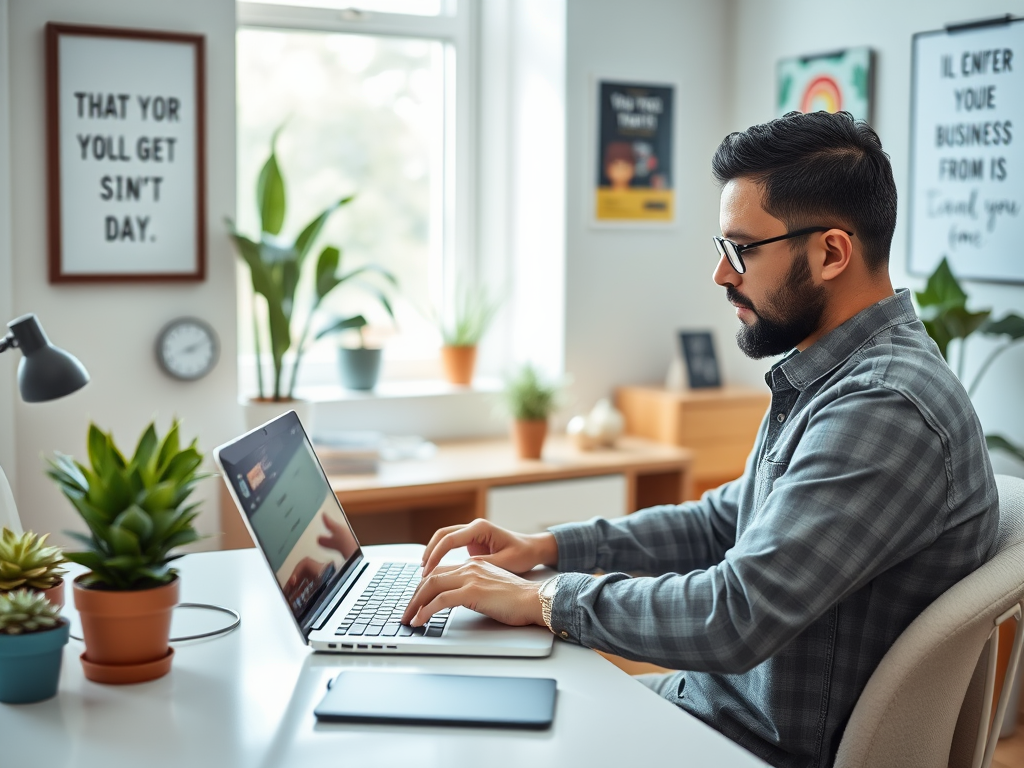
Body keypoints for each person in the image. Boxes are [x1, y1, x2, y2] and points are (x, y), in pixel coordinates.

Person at [401, 111, 999, 768]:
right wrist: (549, 548)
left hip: (746, 746)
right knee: (481, 702)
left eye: (742, 249)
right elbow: (725, 521)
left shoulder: (885, 405)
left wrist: (545, 596)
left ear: (831, 252)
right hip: (712, 711)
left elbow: (734, 615)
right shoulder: (838, 377)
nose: (721, 274)